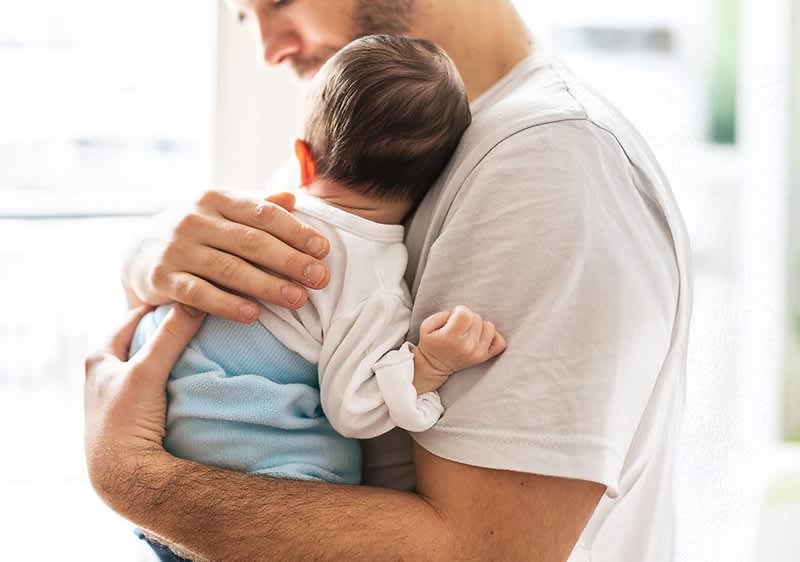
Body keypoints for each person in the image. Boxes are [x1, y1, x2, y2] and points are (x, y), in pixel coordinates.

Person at [84, 1, 693, 560]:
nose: (269, 48)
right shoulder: (385, 145)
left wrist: (131, 478)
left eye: (278, 1)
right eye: (246, 17)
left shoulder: (547, 166)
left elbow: (481, 552)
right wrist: (147, 257)